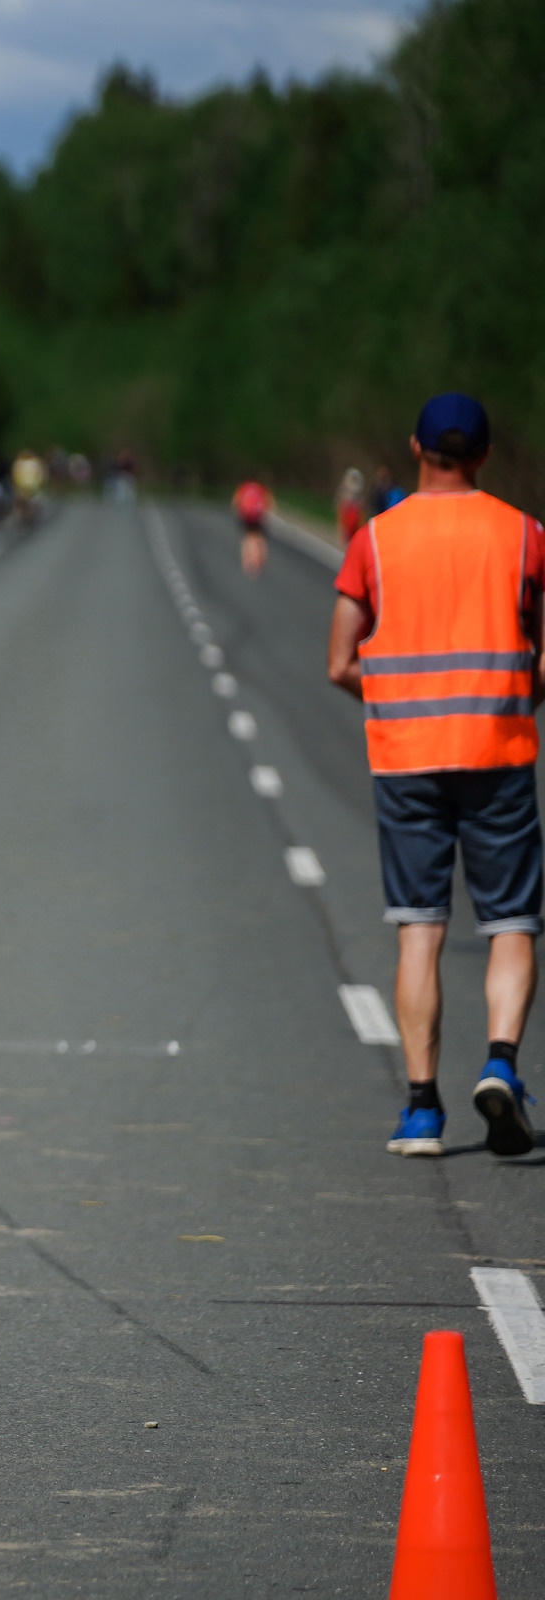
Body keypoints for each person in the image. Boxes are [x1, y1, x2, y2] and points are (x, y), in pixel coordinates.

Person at [327, 393, 543, 1160]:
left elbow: (339, 662)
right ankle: (501, 1063)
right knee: (511, 923)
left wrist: (397, 695)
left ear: (417, 449)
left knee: (420, 927)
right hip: (498, 753)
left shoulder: (374, 541)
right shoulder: (525, 535)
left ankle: (422, 1110)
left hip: (407, 760)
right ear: (484, 456)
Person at [232, 478, 272, 576]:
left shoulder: (243, 487)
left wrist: (238, 514)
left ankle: (247, 562)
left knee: (247, 538)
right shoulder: (261, 488)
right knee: (259, 538)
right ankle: (260, 561)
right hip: (258, 517)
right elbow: (269, 502)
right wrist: (266, 516)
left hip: (246, 518)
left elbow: (235, 502)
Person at [336, 467, 367, 542]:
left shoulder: (358, 488)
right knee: (344, 524)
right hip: (347, 506)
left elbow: (360, 501)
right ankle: (345, 536)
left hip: (353, 508)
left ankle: (351, 537)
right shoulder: (347, 485)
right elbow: (341, 496)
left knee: (353, 525)